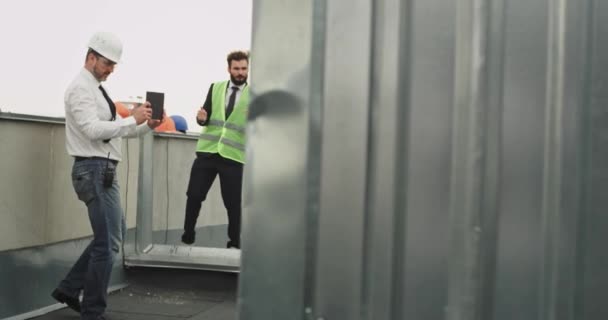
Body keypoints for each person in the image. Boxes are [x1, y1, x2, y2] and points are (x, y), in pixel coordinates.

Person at [51, 31, 162, 320]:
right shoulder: (80, 88)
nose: (111, 69)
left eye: (114, 65)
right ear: (91, 57)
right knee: (109, 242)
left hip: (102, 170)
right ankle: (92, 311)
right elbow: (91, 130)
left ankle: (69, 288)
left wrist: (146, 125)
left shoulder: (95, 88)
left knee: (112, 237)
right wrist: (130, 120)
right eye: (108, 63)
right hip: (94, 170)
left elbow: (113, 134)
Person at [181, 50, 250, 249]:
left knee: (232, 204)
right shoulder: (216, 88)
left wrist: (253, 120)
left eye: (244, 69)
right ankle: (188, 235)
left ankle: (235, 243)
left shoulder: (254, 95)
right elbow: (205, 116)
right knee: (194, 195)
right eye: (236, 68)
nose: (240, 73)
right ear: (229, 69)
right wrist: (200, 118)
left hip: (234, 157)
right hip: (207, 153)